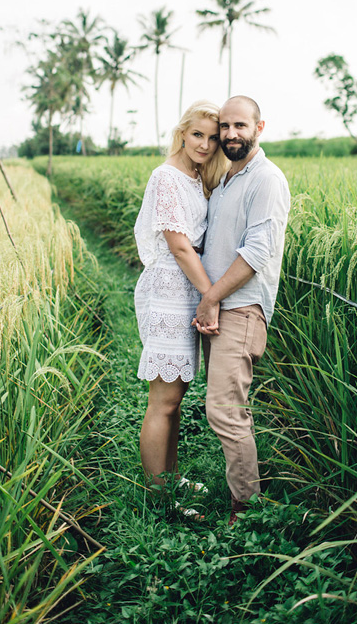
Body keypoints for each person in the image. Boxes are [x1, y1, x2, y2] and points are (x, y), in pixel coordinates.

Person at [193, 95, 291, 525]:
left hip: (240, 309)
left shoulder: (266, 180)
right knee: (225, 407)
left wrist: (212, 297)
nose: (231, 135)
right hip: (219, 309)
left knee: (225, 410)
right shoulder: (229, 178)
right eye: (224, 128)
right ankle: (242, 495)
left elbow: (258, 252)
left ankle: (247, 511)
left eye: (240, 127)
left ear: (259, 128)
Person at [134, 100, 229, 503]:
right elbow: (179, 247)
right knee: (164, 400)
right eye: (197, 135)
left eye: (212, 137)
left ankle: (170, 478)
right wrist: (212, 295)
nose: (205, 145)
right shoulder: (167, 177)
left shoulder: (193, 175)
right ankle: (162, 496)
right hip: (171, 290)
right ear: (182, 132)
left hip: (187, 290)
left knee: (176, 396)